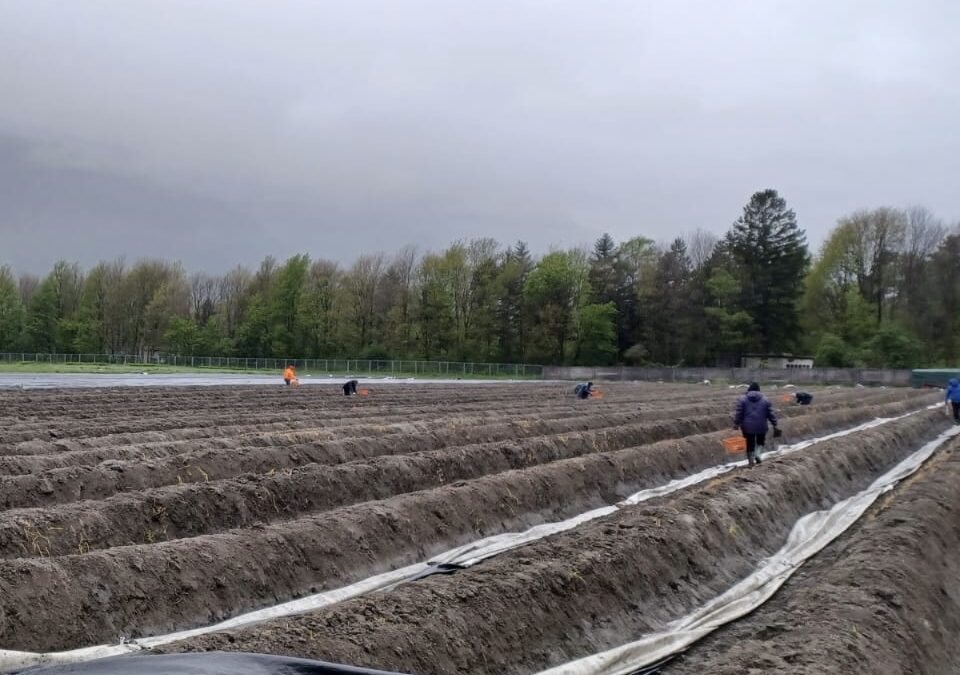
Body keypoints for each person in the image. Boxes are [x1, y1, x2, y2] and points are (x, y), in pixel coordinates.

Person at [733, 382, 779, 466]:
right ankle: (757, 454)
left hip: (747, 427)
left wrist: (736, 423)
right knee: (760, 441)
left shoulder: (742, 399)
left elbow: (739, 413)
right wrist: (775, 423)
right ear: (759, 390)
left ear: (749, 389)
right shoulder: (765, 399)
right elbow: (770, 414)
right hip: (761, 426)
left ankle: (751, 462)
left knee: (749, 443)